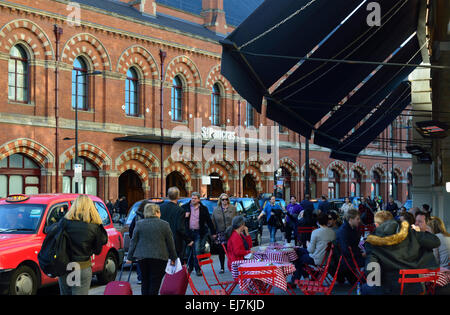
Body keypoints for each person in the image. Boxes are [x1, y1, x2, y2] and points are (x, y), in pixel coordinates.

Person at [362, 211, 440, 295]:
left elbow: (372, 274)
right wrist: (421, 232)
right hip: (416, 289)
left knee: (365, 288)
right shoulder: (411, 234)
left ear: (377, 225)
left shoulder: (373, 243)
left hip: (390, 290)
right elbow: (435, 242)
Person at [59, 195, 108, 295]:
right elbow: (98, 250)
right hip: (82, 267)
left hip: (65, 266)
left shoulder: (64, 222)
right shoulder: (94, 226)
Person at [127, 203, 177, 295]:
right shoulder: (164, 224)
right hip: (160, 257)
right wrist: (173, 257)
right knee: (155, 282)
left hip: (142, 257)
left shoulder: (139, 224)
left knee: (145, 281)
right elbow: (170, 243)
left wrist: (129, 257)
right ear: (157, 212)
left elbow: (134, 241)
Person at [293, 213, 336, 281]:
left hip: (317, 259)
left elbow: (310, 250)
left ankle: (298, 279)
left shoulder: (316, 232)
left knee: (297, 258)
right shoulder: (332, 232)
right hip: (327, 258)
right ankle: (310, 277)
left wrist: (308, 244)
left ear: (318, 222)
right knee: (298, 251)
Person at [182, 192, 216, 276]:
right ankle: (190, 267)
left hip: (198, 232)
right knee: (189, 251)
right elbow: (180, 220)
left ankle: (197, 269)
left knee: (197, 251)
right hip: (188, 232)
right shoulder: (185, 207)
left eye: (195, 198)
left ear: (198, 199)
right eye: (192, 198)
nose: (193, 200)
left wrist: (213, 232)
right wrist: (185, 217)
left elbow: (209, 221)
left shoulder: (203, 209)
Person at [160, 187, 193, 263]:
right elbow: (180, 228)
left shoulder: (161, 208)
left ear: (167, 196)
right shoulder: (180, 210)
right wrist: (188, 240)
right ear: (178, 196)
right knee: (175, 266)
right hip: (175, 241)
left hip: (162, 240)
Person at [335, 209, 365, 285]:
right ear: (350, 219)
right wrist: (361, 254)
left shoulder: (351, 229)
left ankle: (366, 282)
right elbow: (346, 251)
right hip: (348, 260)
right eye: (357, 219)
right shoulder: (344, 231)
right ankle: (367, 283)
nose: (359, 221)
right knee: (373, 261)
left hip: (351, 257)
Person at [212, 193, 237, 273]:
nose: (224, 201)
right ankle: (222, 267)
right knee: (221, 251)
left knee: (231, 250)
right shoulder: (216, 210)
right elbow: (213, 222)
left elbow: (236, 220)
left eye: (226, 199)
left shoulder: (233, 209)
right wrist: (213, 233)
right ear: (220, 200)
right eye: (223, 199)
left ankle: (232, 265)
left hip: (230, 232)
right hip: (220, 232)